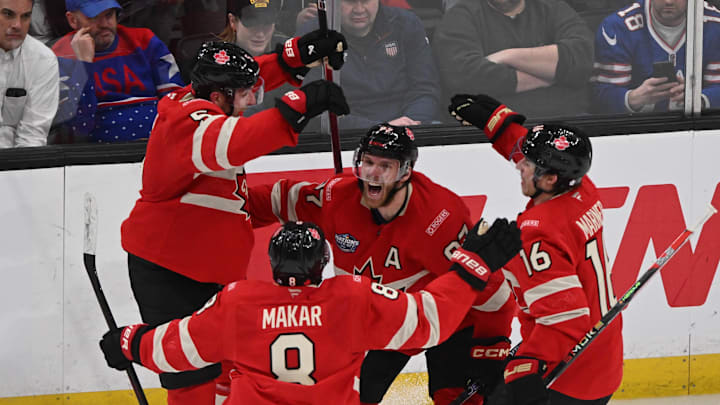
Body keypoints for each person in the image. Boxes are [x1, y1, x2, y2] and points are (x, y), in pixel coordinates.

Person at [120, 35, 348, 405]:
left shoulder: (209, 103)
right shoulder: (186, 122)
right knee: (192, 377)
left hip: (210, 273)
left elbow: (231, 204)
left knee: (233, 368)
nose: (250, 102)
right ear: (216, 97)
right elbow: (234, 142)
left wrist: (295, 57)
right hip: (170, 274)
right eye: (245, 96)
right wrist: (296, 107)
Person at [101, 219, 522, 405]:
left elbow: (176, 349)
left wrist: (128, 342)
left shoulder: (239, 302)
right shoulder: (351, 297)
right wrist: (471, 268)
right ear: (322, 262)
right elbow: (428, 321)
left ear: (271, 260)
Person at [249, 124, 517, 405]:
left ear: (405, 172)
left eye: (385, 166)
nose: (372, 174)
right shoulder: (337, 196)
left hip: (447, 320)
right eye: (367, 162)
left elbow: (492, 292)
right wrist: (230, 210)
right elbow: (280, 199)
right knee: (350, 397)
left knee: (455, 398)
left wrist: (490, 351)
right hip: (386, 322)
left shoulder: (438, 218)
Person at [448, 93, 624, 404]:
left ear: (550, 179)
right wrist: (500, 124)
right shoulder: (583, 189)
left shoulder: (538, 234)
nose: (520, 167)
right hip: (602, 355)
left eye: (528, 166)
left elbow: (566, 320)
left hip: (567, 373)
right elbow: (537, 154)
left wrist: (523, 365)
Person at [433, 0, 595, 119]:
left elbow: (581, 60)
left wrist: (508, 56)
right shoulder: (460, 17)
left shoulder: (553, 8)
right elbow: (466, 78)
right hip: (489, 131)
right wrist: (554, 74)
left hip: (569, 121)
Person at [51, 0, 185, 143]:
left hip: (159, 143)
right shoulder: (60, 54)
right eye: (94, 17)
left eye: (109, 15)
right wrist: (84, 65)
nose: (104, 24)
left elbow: (177, 102)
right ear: (73, 20)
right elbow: (79, 126)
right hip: (98, 155)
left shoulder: (145, 41)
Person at [296, 0, 441, 130]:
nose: (359, 9)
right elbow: (316, 107)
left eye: (366, 1)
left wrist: (411, 122)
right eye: (350, 1)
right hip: (348, 136)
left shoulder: (407, 24)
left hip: (408, 126)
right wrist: (381, 130)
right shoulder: (312, 36)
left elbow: (426, 89)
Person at [590, 0, 720, 113]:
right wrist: (633, 99)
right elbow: (600, 97)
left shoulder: (715, 24)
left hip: (698, 130)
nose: (669, 1)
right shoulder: (618, 27)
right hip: (637, 132)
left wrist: (700, 100)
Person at [218, 0, 294, 117]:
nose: (260, 33)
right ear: (233, 21)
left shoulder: (290, 53)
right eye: (252, 23)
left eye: (267, 23)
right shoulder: (214, 62)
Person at [0, 0, 59, 148]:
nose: (17, 25)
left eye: (25, 16)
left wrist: (16, 170)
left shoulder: (43, 59)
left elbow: (33, 137)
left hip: (16, 164)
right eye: (8, 14)